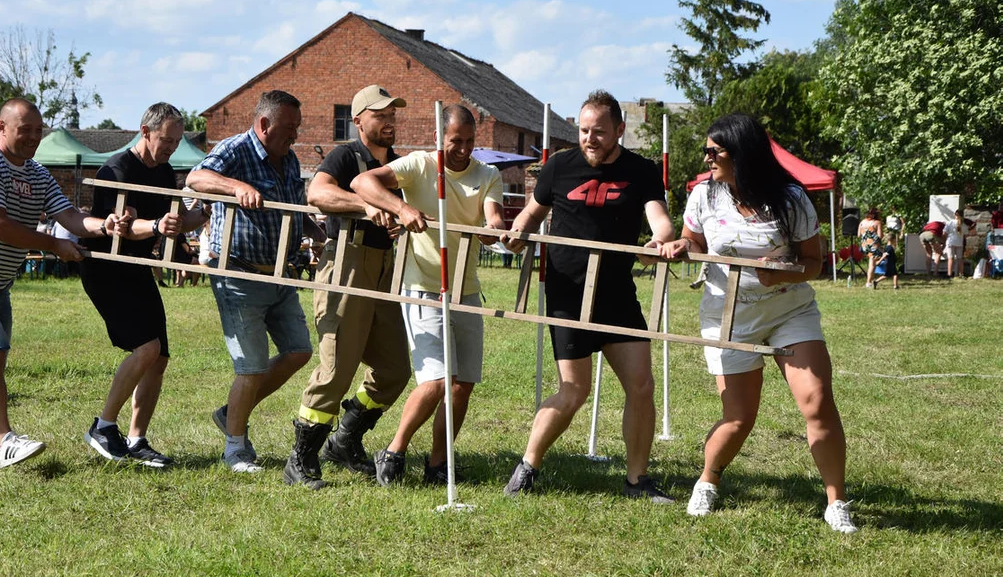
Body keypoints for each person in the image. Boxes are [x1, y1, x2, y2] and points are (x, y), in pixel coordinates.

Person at [661, 112, 856, 534]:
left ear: (742, 152)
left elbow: (814, 264)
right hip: (728, 314)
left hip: (789, 310)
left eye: (716, 150)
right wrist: (680, 244)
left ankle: (836, 502)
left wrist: (781, 271)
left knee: (818, 402)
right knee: (739, 417)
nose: (707, 157)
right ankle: (708, 479)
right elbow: (693, 241)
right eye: (706, 150)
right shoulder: (703, 195)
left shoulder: (790, 198)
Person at [0, 98, 126, 467]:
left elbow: (68, 215)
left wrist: (103, 225)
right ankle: (5, 442)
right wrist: (53, 244)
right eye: (24, 129)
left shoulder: (36, 173)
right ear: (1, 127)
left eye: (38, 130)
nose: (34, 137)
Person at [498, 90, 677, 501]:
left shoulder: (642, 171)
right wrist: (517, 233)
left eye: (598, 131)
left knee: (642, 385)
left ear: (619, 130)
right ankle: (528, 465)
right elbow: (531, 212)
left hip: (617, 295)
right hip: (568, 293)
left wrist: (660, 242)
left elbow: (660, 222)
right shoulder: (560, 166)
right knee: (574, 390)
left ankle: (637, 481)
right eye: (582, 130)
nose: (589, 139)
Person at [352, 104, 506, 486]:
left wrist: (494, 229)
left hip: (466, 289)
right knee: (436, 380)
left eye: (470, 142)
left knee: (462, 383)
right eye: (456, 141)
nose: (464, 149)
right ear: (440, 138)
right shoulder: (418, 165)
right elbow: (362, 183)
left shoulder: (487, 174)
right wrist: (401, 208)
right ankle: (393, 452)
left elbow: (495, 216)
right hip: (422, 285)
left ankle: (439, 464)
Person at [186, 90, 325, 482]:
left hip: (280, 274)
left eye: (297, 128)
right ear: (264, 124)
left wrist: (319, 233)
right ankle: (235, 446)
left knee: (298, 351)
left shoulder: (290, 159)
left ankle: (231, 414)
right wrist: (235, 188)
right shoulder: (235, 150)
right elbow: (197, 178)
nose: (294, 136)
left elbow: (293, 210)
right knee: (251, 367)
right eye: (288, 128)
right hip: (239, 273)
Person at [286, 85, 414, 483]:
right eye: (380, 114)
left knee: (394, 369)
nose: (389, 121)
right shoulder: (346, 155)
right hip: (346, 263)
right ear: (358, 120)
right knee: (337, 369)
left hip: (386, 268)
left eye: (393, 114)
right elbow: (318, 193)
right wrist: (368, 205)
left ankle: (344, 439)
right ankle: (301, 458)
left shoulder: (395, 163)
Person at [82, 102, 210, 468]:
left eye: (175, 141)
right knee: (146, 347)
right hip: (106, 267)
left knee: (160, 357)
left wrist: (199, 215)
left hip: (136, 266)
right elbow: (122, 225)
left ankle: (137, 440)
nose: (171, 147)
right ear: (145, 132)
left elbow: (173, 221)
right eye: (165, 140)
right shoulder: (116, 170)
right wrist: (155, 227)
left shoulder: (165, 171)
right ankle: (104, 427)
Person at [858, 207, 884, 288]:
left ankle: (872, 280)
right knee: (872, 265)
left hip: (864, 245)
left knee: (872, 263)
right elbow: (880, 236)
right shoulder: (877, 223)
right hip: (873, 245)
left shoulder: (862, 222)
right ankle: (868, 282)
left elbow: (859, 235)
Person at [942, 208, 969, 278]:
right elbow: (966, 235)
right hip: (959, 243)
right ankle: (961, 274)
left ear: (955, 215)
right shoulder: (964, 225)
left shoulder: (950, 222)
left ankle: (949, 274)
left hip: (950, 242)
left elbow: (944, 233)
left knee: (950, 258)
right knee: (960, 259)